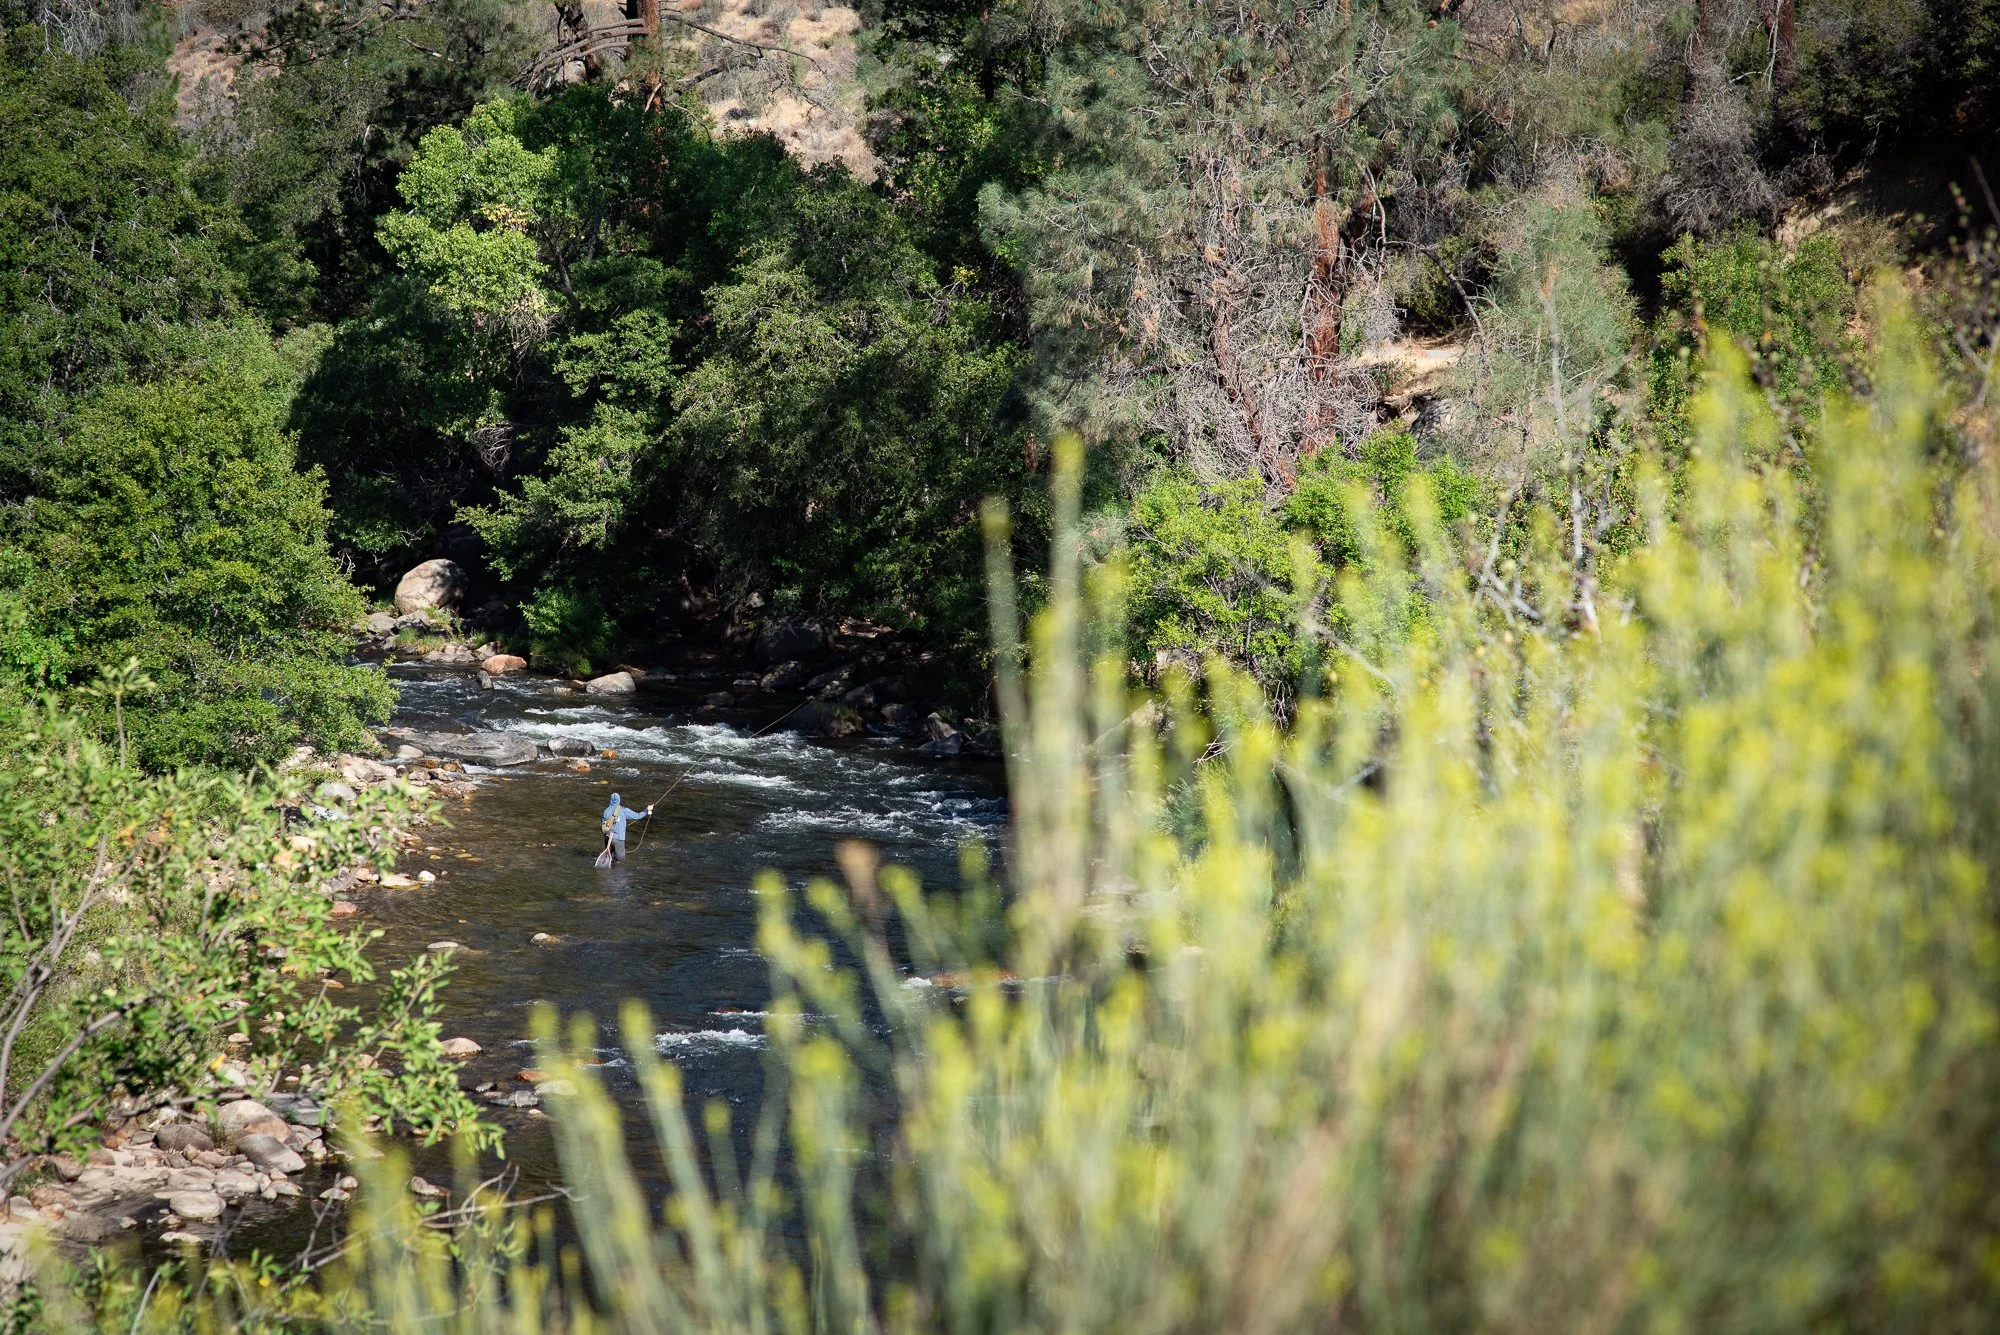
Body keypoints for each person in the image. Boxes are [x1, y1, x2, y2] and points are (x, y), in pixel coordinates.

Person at [599, 792, 654, 863]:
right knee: (620, 862)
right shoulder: (624, 810)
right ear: (619, 800)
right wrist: (647, 810)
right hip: (618, 839)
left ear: (610, 800)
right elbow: (638, 816)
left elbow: (602, 824)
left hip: (608, 837)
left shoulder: (605, 811)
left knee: (610, 859)